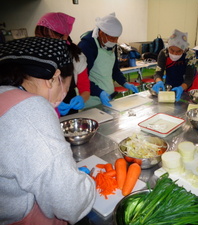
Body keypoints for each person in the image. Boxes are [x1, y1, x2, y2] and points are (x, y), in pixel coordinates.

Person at [0, 37, 96, 224]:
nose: (64, 94)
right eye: (66, 87)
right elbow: (71, 203)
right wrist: (88, 183)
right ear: (54, 78)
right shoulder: (31, 109)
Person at [78, 12, 139, 108]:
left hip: (108, 97)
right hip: (91, 100)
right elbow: (81, 77)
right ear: (102, 33)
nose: (115, 42)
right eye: (112, 38)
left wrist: (124, 82)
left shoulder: (111, 45)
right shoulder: (87, 46)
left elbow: (114, 70)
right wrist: (99, 92)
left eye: (117, 38)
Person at [35, 12, 91, 116]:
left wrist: (82, 99)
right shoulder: (34, 57)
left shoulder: (76, 57)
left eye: (47, 37)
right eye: (38, 37)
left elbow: (85, 89)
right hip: (41, 111)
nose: (42, 42)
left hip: (69, 108)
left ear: (64, 36)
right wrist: (49, 105)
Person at [152, 29, 198, 102]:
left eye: (178, 51)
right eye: (172, 50)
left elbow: (189, 78)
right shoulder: (164, 53)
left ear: (183, 50)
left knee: (187, 105)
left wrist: (181, 88)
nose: (174, 53)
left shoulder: (190, 55)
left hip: (190, 84)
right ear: (168, 46)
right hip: (172, 79)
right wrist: (159, 82)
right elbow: (158, 73)